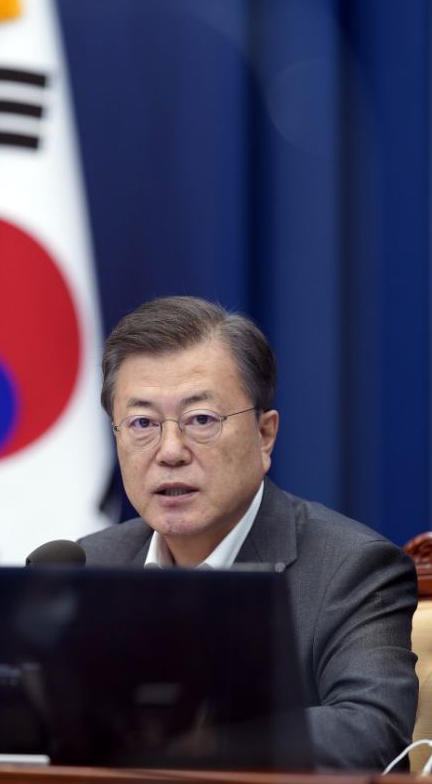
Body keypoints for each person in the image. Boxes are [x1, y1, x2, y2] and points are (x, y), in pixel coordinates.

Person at [80, 295, 418, 770]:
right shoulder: (89, 565)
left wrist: (189, 739)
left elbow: (372, 733)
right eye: (142, 423)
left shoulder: (350, 568)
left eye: (201, 420)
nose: (170, 451)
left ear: (264, 435)